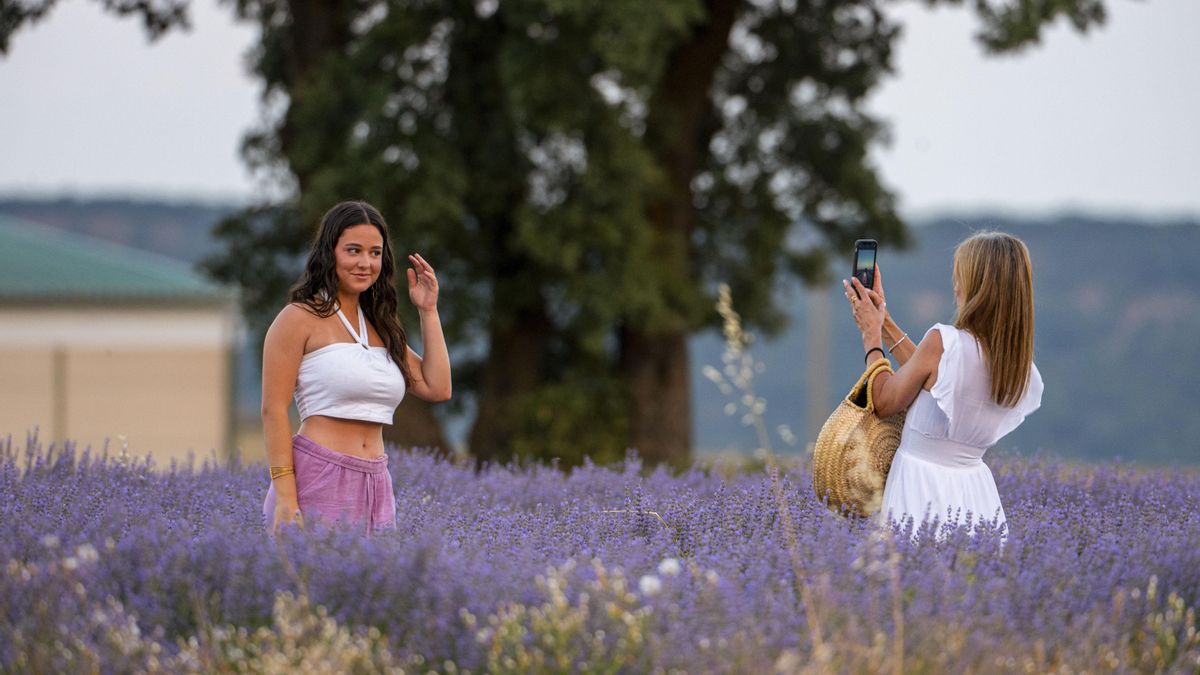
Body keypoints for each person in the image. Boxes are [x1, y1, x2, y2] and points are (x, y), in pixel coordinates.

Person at [262, 201, 452, 535]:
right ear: (330, 252)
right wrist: (285, 496)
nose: (366, 263)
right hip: (318, 474)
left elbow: (437, 387)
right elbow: (273, 409)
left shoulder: (380, 327)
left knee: (371, 586)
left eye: (375, 253)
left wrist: (429, 311)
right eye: (354, 250)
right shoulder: (299, 318)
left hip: (377, 481)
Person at [842, 231, 1042, 535]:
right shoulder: (1017, 366)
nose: (956, 286)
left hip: (920, 492)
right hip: (977, 496)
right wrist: (885, 322)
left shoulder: (944, 342)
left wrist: (871, 338)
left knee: (914, 577)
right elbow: (934, 381)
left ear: (978, 287)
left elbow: (884, 402)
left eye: (960, 277)